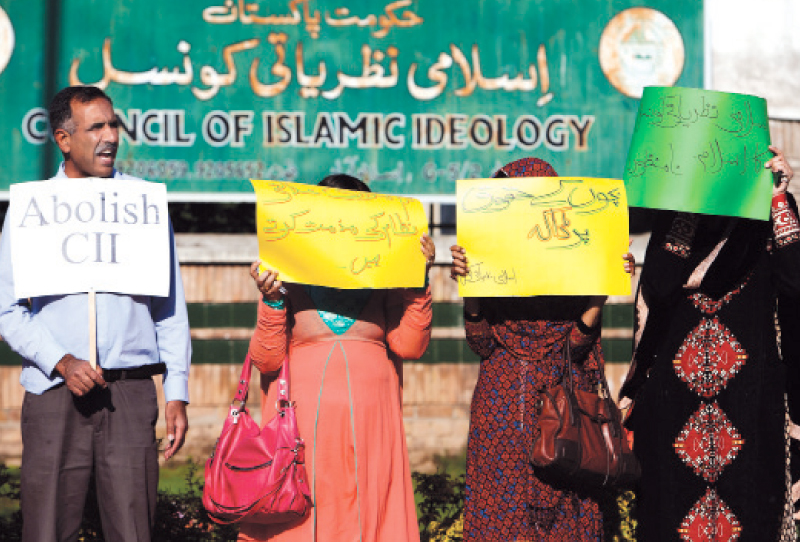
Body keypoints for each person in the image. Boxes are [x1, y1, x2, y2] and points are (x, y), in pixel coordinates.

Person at [0, 86, 191, 542]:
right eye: (95, 127)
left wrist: (177, 390)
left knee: (133, 530)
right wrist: (62, 361)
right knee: (46, 530)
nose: (110, 137)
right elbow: (7, 309)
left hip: (128, 395)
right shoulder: (32, 209)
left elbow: (170, 308)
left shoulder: (143, 204)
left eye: (113, 125)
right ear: (64, 140)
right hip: (53, 394)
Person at [239, 173, 434, 542]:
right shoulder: (287, 273)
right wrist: (273, 301)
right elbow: (266, 361)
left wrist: (418, 282)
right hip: (304, 435)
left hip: (372, 429)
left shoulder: (388, 275)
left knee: (370, 511)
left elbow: (410, 346)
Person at [619, 146, 800, 541]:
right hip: (673, 409)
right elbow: (661, 286)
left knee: (750, 515)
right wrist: (688, 210)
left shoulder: (762, 223)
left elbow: (794, 283)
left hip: (749, 409)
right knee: (671, 515)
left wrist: (779, 196)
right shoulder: (677, 225)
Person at [450, 157, 634, 542]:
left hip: (562, 406)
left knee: (567, 513)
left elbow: (578, 345)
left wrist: (603, 281)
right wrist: (469, 289)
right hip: (500, 416)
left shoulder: (574, 261)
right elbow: (481, 342)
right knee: (502, 517)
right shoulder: (494, 260)